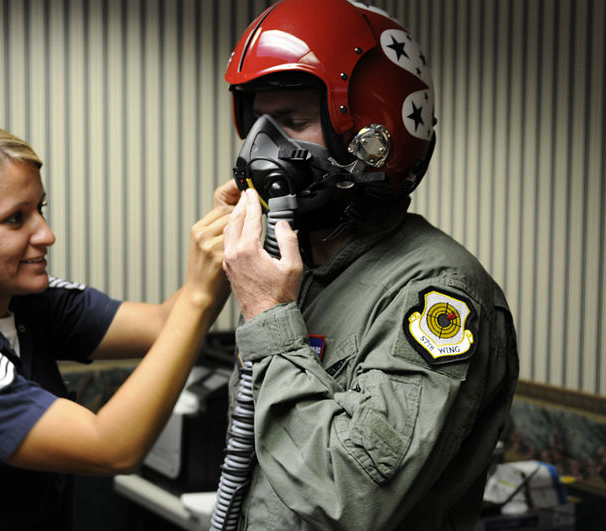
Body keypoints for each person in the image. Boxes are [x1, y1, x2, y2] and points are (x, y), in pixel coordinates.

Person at [212, 0, 520, 529]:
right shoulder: (295, 270)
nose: (261, 148)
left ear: (372, 138)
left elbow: (348, 496)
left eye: (293, 121)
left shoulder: (436, 292)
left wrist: (267, 318)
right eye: (259, 122)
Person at [0, 118, 232, 530]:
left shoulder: (28, 304)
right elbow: (111, 448)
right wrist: (201, 296)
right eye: (15, 219)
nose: (46, 234)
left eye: (39, 209)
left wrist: (227, 235)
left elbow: (164, 323)